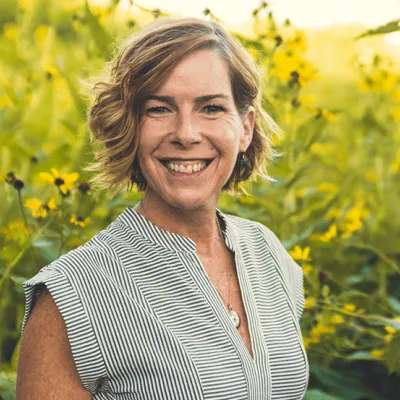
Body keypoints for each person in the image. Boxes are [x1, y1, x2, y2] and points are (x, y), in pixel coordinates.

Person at [16, 17, 309, 399]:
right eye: (159, 109)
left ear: (246, 128)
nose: (185, 133)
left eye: (211, 108)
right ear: (129, 126)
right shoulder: (72, 295)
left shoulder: (269, 254)